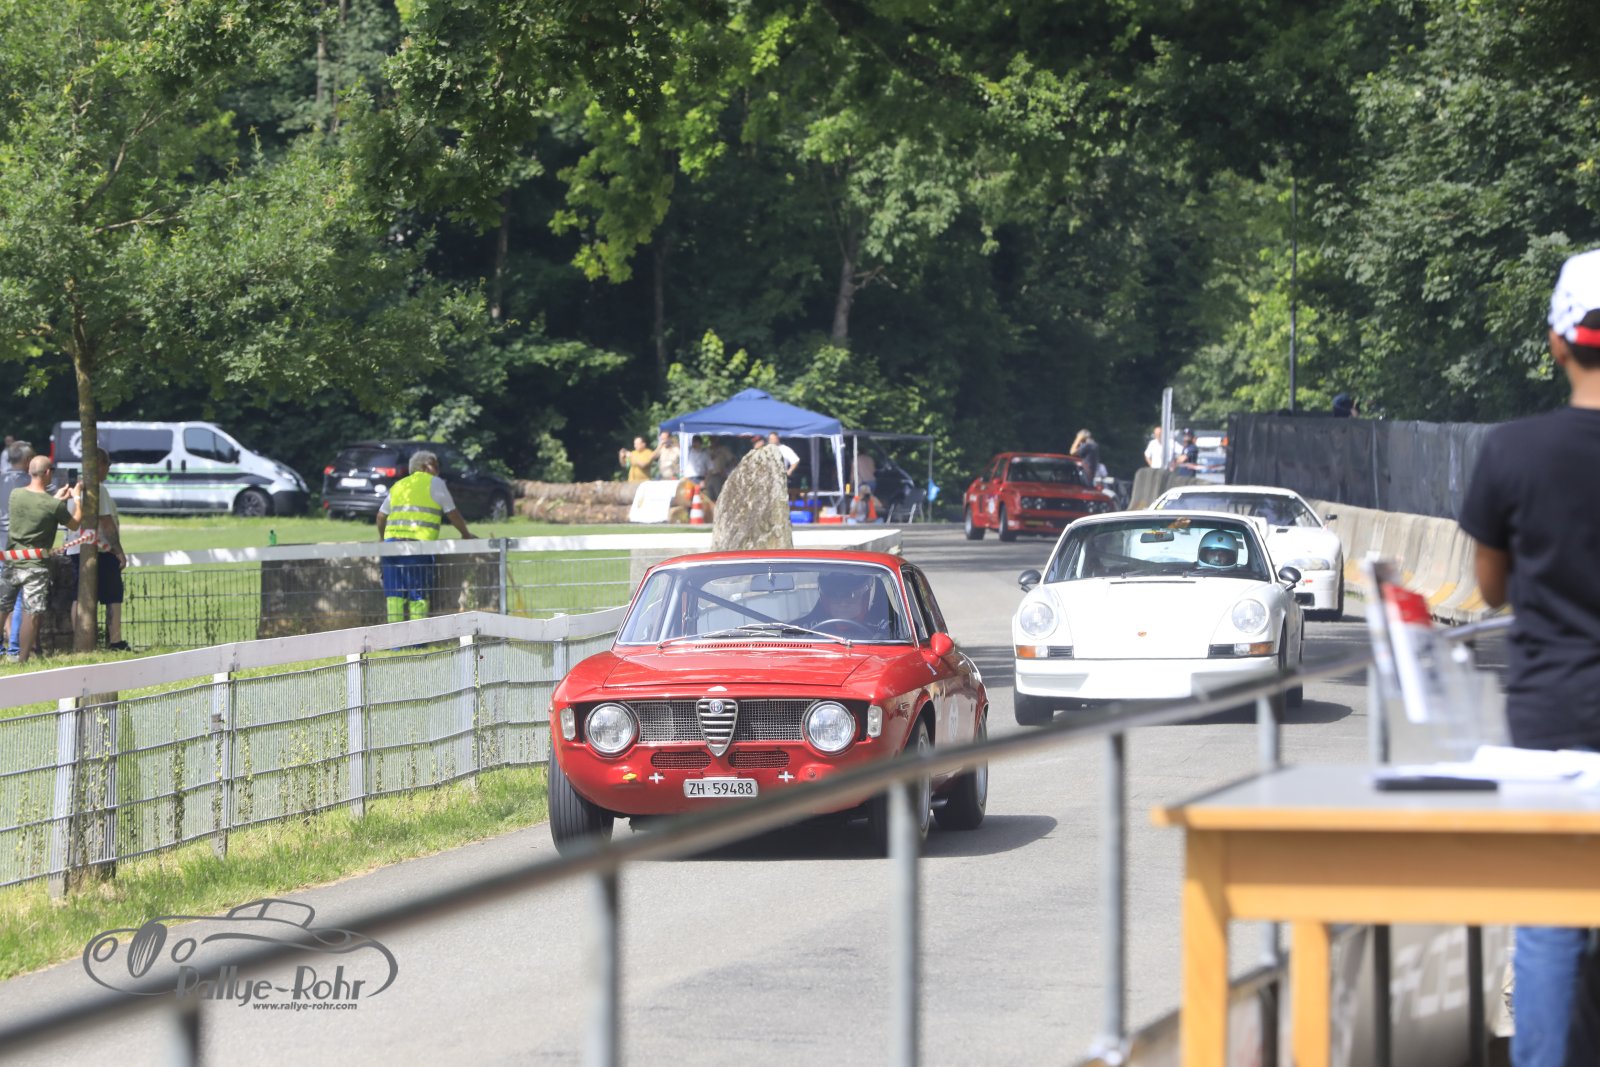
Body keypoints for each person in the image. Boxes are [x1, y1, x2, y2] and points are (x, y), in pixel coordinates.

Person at [1460, 248, 1600, 1067]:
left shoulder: (1514, 450)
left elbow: (1489, 587)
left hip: (1551, 714)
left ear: (1558, 341)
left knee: (1551, 912)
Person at [375, 450, 476, 624]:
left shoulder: (399, 485)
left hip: (391, 547)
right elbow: (452, 514)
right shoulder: (435, 483)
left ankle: (394, 637)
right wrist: (466, 535)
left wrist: (382, 539)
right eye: (435, 466)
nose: (438, 470)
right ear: (424, 467)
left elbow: (381, 516)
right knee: (418, 595)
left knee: (394, 597)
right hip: (418, 548)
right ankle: (418, 637)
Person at [0, 455, 80, 663]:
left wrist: (55, 500)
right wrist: (77, 498)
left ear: (29, 471)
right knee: (32, 613)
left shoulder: (16, 495)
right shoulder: (52, 505)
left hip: (12, 561)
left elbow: (37, 509)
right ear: (47, 473)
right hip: (36, 566)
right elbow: (75, 524)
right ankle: (22, 659)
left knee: (2, 607)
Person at [67, 447, 129, 650]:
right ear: (99, 465)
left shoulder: (75, 489)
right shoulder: (97, 489)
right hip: (101, 551)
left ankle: (80, 641)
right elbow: (106, 522)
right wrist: (118, 550)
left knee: (78, 596)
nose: (108, 469)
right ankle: (115, 641)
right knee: (113, 596)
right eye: (108, 464)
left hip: (75, 550)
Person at [0, 441, 33, 657]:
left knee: (2, 599)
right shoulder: (31, 483)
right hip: (21, 548)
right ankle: (15, 646)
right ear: (27, 460)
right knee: (21, 598)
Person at [801, 570, 892, 639]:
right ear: (825, 599)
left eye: (852, 596)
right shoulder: (805, 628)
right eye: (834, 596)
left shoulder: (889, 629)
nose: (843, 604)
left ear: (867, 596)